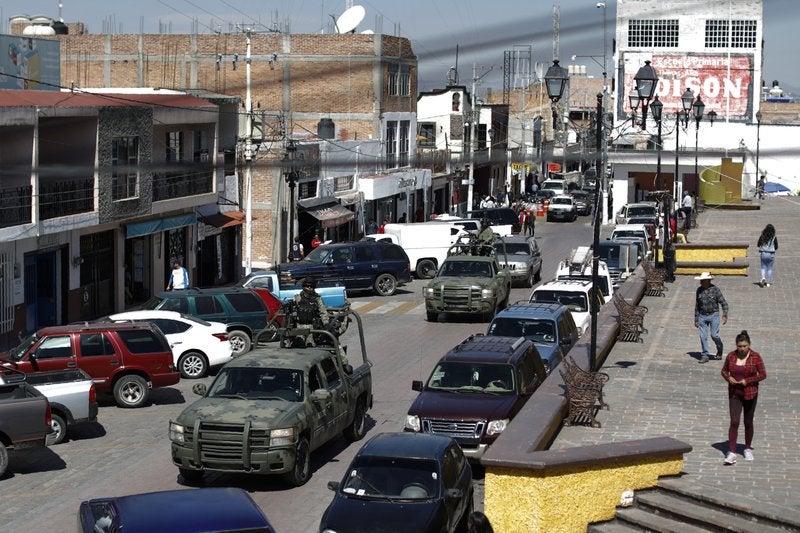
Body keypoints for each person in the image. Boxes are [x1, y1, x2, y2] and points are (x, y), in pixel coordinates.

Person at [720, 330, 767, 465]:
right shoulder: (731, 356)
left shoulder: (755, 357)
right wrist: (729, 378)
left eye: (744, 346)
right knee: (734, 421)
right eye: (739, 346)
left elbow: (763, 374)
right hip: (735, 393)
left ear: (749, 345)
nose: (742, 349)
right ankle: (732, 451)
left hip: (750, 393)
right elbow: (724, 371)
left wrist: (748, 381)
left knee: (748, 421)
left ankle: (747, 448)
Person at [694, 272, 728, 364]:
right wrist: (696, 319)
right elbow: (697, 306)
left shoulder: (715, 290)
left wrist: (725, 314)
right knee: (703, 336)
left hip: (714, 315)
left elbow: (724, 303)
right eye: (701, 281)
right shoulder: (699, 290)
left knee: (714, 335)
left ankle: (720, 347)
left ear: (708, 281)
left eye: (703, 281)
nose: (701, 283)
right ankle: (705, 355)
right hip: (702, 316)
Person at [291, 277, 330, 346]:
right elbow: (292, 311)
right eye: (307, 286)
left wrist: (326, 323)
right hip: (299, 326)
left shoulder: (317, 299)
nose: (309, 288)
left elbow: (323, 312)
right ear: (303, 286)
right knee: (298, 346)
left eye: (311, 286)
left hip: (312, 327)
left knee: (311, 346)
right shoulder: (297, 298)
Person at [757, 223, 778, 288]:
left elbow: (758, 244)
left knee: (763, 267)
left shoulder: (762, 236)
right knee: (769, 268)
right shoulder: (774, 237)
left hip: (763, 253)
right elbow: (776, 246)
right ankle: (768, 283)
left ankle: (763, 278)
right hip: (771, 254)